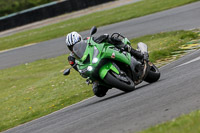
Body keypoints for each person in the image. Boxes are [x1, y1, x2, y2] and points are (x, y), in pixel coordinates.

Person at [65, 31, 147, 69]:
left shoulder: (87, 40)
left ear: (80, 40)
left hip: (100, 55)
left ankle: (137, 53)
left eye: (74, 45)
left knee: (111, 38)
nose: (73, 48)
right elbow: (79, 69)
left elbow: (97, 40)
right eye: (71, 47)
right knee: (98, 92)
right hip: (92, 67)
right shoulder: (71, 58)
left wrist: (103, 37)